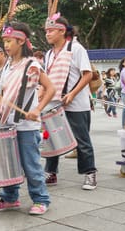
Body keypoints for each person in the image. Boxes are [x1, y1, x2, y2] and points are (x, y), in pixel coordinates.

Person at [0, 22, 55, 215]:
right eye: (5, 42)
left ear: (21, 41)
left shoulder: (32, 64)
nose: (6, 45)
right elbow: (3, 93)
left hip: (26, 126)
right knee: (9, 163)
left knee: (30, 164)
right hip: (7, 124)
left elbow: (50, 89)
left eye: (9, 41)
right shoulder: (8, 66)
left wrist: (38, 109)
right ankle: (10, 198)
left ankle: (41, 199)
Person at [42, 14, 98, 190]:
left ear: (61, 31)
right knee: (51, 138)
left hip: (76, 103)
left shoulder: (76, 48)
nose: (47, 34)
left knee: (82, 140)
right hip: (55, 103)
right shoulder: (49, 54)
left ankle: (90, 173)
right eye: (46, 31)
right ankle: (51, 172)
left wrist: (72, 94)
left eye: (51, 30)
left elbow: (87, 74)